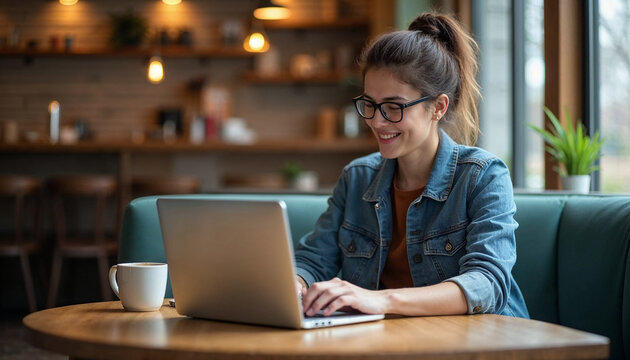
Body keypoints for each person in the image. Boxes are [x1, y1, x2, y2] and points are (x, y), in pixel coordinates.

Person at [294, 12, 529, 319]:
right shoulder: (357, 178)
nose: (377, 121)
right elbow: (314, 260)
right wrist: (295, 286)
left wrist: (382, 300)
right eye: (370, 104)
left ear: (438, 107)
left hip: (477, 342)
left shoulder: (483, 176)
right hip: (386, 341)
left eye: (393, 107)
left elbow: (487, 283)